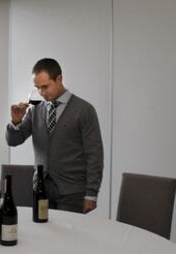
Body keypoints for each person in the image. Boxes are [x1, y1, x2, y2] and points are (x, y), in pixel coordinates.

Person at [5, 58, 103, 214]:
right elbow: (13, 141)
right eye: (38, 88)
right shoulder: (35, 110)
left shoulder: (85, 110)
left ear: (59, 78)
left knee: (69, 238)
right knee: (41, 235)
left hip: (73, 192)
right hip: (41, 189)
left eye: (45, 86)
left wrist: (91, 194)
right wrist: (15, 122)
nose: (42, 93)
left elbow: (95, 154)